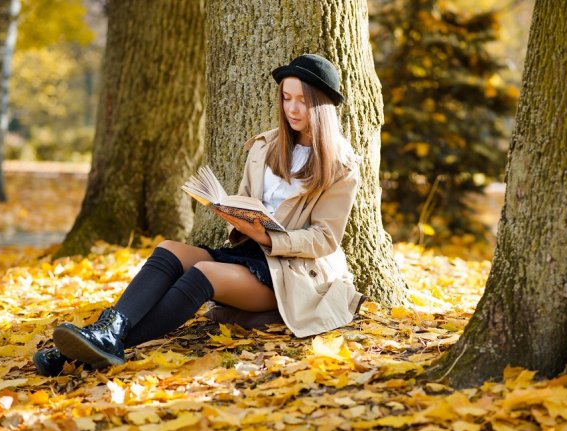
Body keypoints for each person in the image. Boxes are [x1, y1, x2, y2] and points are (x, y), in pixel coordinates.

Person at [33, 53, 365, 376]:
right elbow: (251, 203)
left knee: (203, 273)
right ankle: (106, 333)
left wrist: (271, 237)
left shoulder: (341, 165)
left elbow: (325, 238)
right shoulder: (267, 146)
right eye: (286, 97)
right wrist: (235, 215)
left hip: (290, 273)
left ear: (321, 105)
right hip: (249, 252)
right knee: (169, 250)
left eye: (302, 100)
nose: (292, 108)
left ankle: (72, 354)